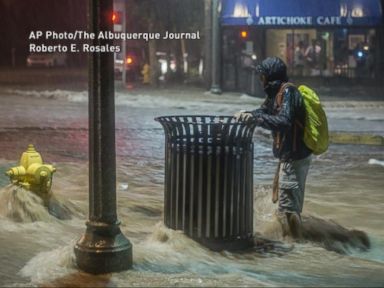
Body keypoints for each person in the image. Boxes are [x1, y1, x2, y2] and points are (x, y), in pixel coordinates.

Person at [234, 57, 312, 238]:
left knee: (288, 210)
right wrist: (250, 114)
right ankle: (292, 243)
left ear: (270, 77)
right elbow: (264, 111)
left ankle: (296, 248)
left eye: (262, 76)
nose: (261, 80)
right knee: (285, 206)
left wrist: (256, 119)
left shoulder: (288, 93)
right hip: (288, 157)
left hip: (295, 157)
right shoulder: (275, 94)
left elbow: (284, 121)